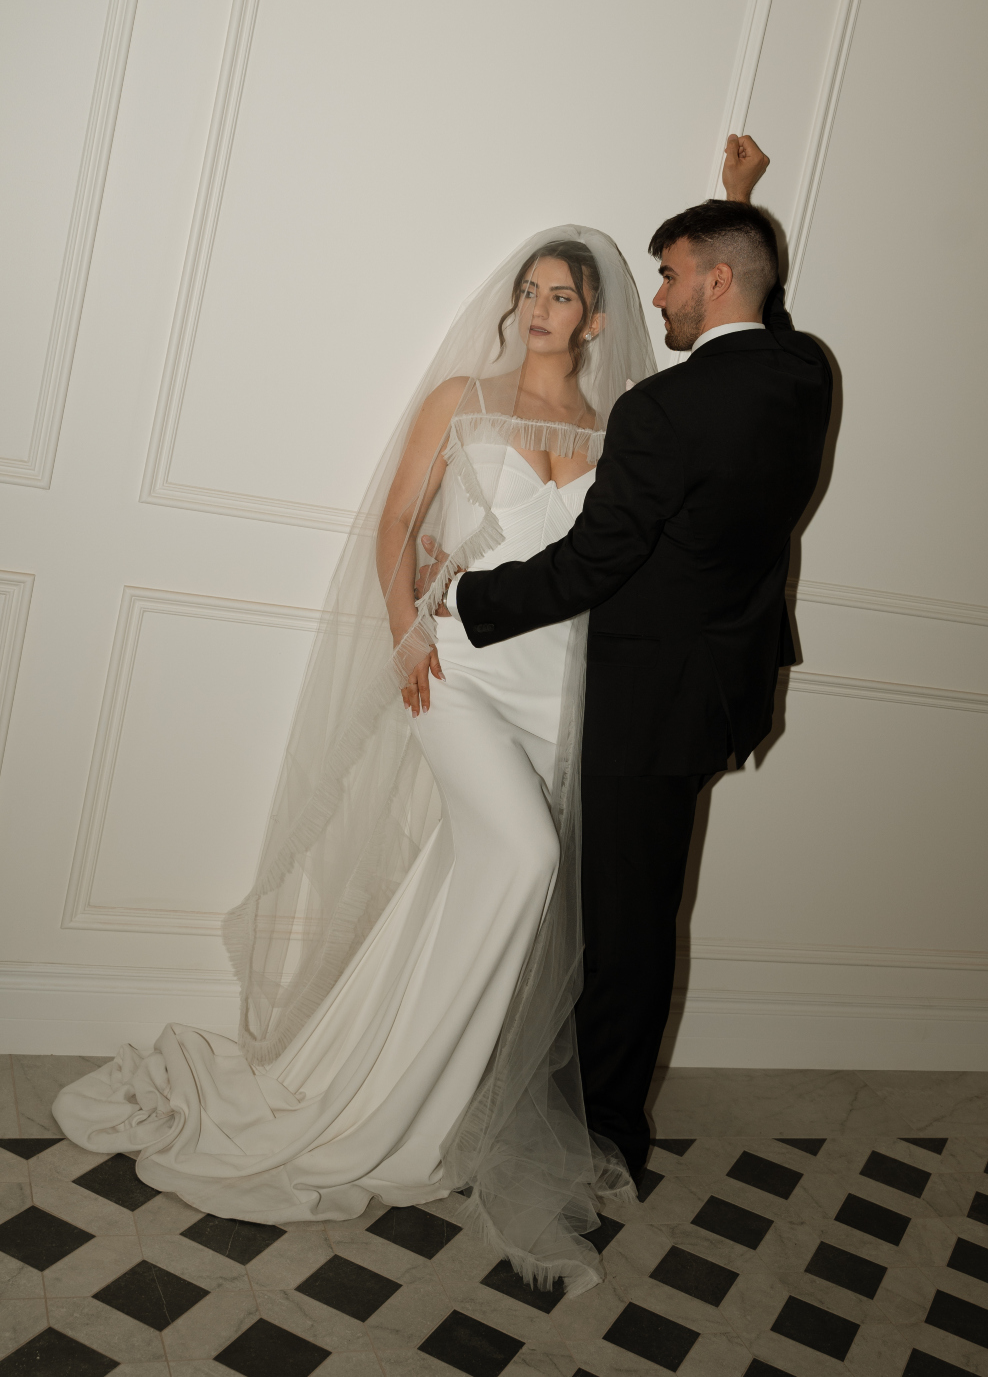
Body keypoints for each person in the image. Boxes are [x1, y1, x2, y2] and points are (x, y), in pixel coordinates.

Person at [54, 221, 659, 1294]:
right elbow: (396, 522)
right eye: (528, 289)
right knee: (521, 862)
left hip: (559, 689)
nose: (536, 307)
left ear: (597, 317)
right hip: (457, 668)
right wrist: (406, 631)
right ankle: (378, 1106)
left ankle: (414, 1085)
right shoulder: (461, 399)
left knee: (475, 884)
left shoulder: (620, 428)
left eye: (560, 296)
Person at [445, 140, 834, 1180]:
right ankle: (583, 1097)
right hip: (724, 693)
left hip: (645, 697)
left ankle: (603, 1132)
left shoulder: (657, 410)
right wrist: (740, 207)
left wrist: (468, 598)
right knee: (638, 904)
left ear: (713, 280)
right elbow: (766, 312)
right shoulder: (803, 373)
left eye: (669, 276)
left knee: (621, 926)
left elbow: (591, 560)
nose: (654, 295)